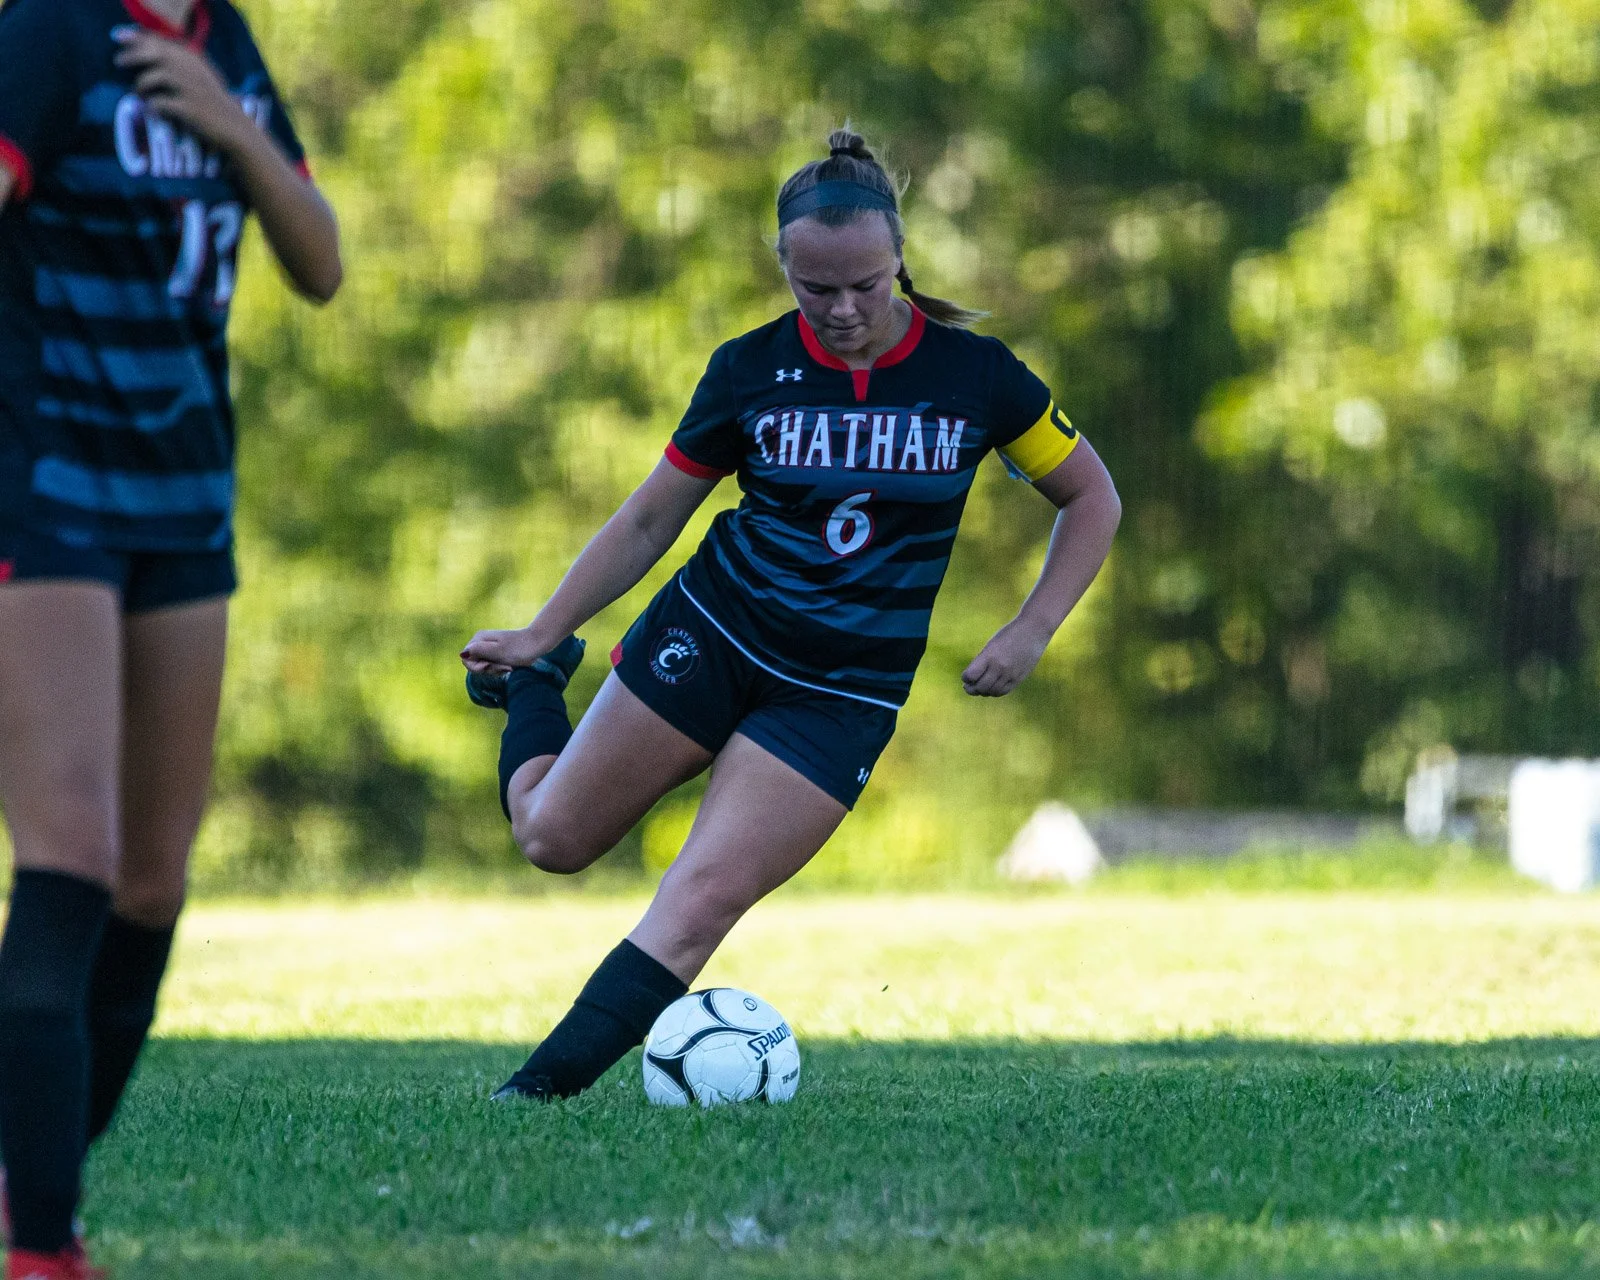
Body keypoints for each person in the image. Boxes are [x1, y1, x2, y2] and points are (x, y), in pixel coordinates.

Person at [460, 127, 1120, 1104]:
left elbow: (1091, 495)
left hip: (840, 691)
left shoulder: (977, 377)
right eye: (817, 289)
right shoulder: (748, 369)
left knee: (700, 899)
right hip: (715, 632)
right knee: (551, 838)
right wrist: (540, 631)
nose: (844, 309)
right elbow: (649, 518)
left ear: (900, 261)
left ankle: (530, 1098)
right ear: (784, 268)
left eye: (866, 285)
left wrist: (1033, 627)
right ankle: (535, 686)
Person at [0, 0, 340, 1271]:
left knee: (151, 882)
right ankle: (45, 1245)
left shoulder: (222, 41)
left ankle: (24, 1181)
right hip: (47, 492)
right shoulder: (50, 32)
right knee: (72, 860)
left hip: (186, 500)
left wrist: (227, 124)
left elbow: (320, 261)